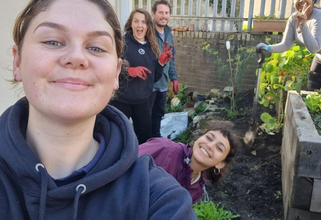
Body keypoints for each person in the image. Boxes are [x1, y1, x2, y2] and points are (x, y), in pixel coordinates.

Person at [0, 0, 198, 219]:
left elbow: (154, 71)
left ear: (115, 72)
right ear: (17, 61)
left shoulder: (157, 198)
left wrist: (162, 65)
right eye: (53, 41)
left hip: (144, 99)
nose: (76, 58)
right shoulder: (130, 43)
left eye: (96, 48)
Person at [110, 8, 173, 144]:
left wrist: (161, 63)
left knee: (145, 138)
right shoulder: (122, 43)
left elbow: (154, 78)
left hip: (143, 101)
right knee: (116, 137)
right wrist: (128, 70)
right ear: (130, 24)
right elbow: (110, 66)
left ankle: (140, 163)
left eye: (143, 22)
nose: (140, 25)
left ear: (148, 26)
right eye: (136, 21)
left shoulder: (152, 47)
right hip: (121, 100)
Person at [139, 127, 239, 204]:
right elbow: (126, 162)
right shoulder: (164, 148)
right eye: (209, 138)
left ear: (220, 164)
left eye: (219, 148)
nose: (210, 146)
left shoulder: (197, 189)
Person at [256, 0, 321, 91]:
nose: (301, 0)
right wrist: (267, 48)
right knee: (311, 92)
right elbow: (286, 44)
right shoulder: (294, 19)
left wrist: (303, 25)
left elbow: (314, 48)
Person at [150, 0, 179, 137]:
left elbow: (171, 58)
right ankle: (144, 144)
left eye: (166, 13)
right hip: (149, 83)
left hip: (162, 83)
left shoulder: (168, 31)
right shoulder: (148, 32)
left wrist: (174, 78)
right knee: (145, 117)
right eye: (160, 12)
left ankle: (155, 140)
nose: (164, 16)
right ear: (154, 13)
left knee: (158, 114)